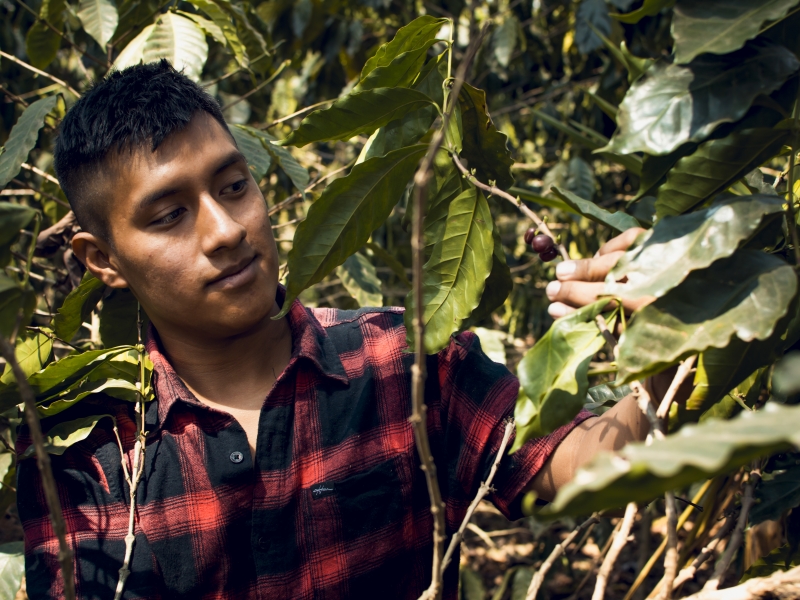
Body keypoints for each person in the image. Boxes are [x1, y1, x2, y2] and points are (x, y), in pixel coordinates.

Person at [17, 60, 672, 599]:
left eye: (235, 185)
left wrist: (664, 344)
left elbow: (584, 466)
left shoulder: (405, 361)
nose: (226, 230)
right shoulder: (91, 455)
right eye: (169, 216)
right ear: (101, 259)